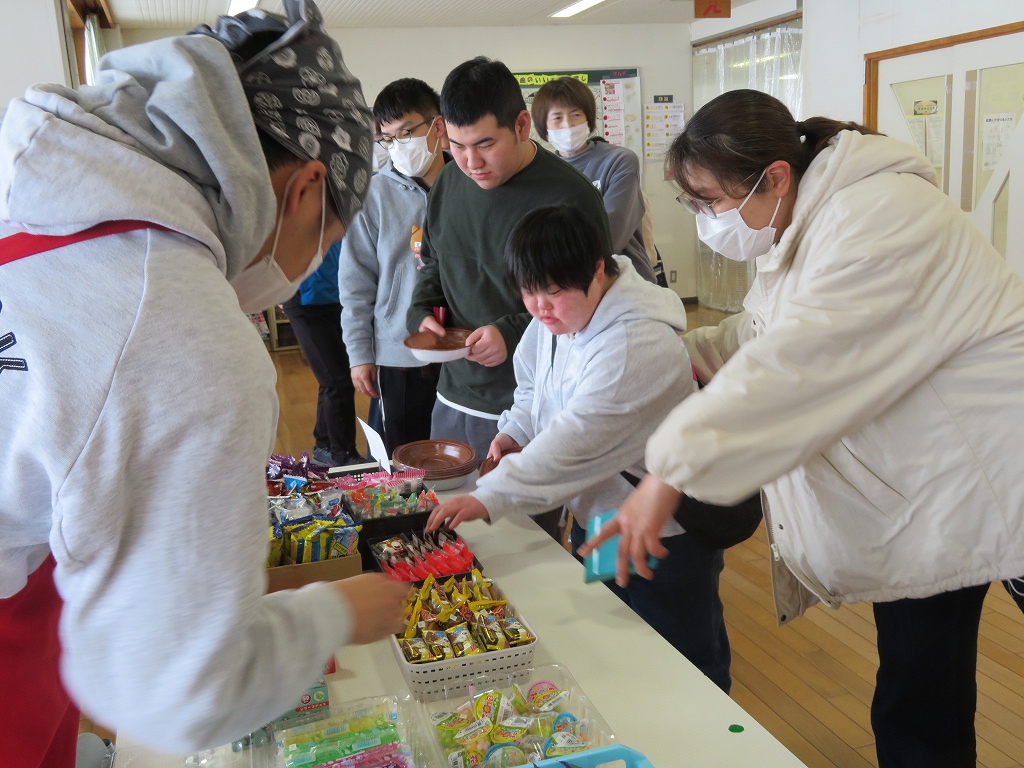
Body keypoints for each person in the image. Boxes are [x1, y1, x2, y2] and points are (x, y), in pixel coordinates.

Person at [0, 2, 408, 765]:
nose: (306, 269)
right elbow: (177, 693)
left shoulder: (34, 196)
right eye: (326, 240)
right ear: (305, 188)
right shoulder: (174, 324)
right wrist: (329, 613)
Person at [580, 89, 1024, 768]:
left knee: (918, 695)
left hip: (984, 469)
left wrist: (668, 471)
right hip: (936, 481)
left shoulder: (879, 217)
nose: (706, 221)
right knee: (917, 688)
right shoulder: (810, 222)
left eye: (710, 201)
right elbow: (765, 332)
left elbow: (795, 364)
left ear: (776, 177)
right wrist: (674, 354)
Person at [425, 206, 731, 692]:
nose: (540, 307)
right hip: (601, 518)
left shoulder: (634, 343)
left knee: (685, 662)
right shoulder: (558, 320)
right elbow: (533, 386)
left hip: (663, 532)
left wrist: (490, 496)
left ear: (597, 270)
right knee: (616, 643)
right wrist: (515, 431)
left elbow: (574, 440)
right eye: (528, 292)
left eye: (553, 291)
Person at [405, 57, 612, 463]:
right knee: (450, 503)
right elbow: (435, 264)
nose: (471, 162)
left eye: (485, 144)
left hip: (532, 406)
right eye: (457, 146)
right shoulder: (448, 182)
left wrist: (512, 333)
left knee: (523, 506)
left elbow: (595, 298)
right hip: (453, 396)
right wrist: (422, 313)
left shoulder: (569, 197)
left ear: (521, 126)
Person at [339, 78, 445, 457]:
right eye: (387, 138)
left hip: (465, 351)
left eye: (405, 132)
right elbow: (356, 282)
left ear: (437, 126)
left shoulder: (469, 183)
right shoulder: (373, 194)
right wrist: (360, 354)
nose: (397, 145)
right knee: (402, 467)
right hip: (398, 355)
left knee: (458, 462)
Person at [530, 76, 656, 283]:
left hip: (624, 280)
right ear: (543, 125)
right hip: (566, 283)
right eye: (557, 117)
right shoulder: (541, 171)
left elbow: (612, 235)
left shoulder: (618, 161)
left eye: (576, 114)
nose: (568, 124)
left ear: (588, 118)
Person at [282, 241, 361, 467]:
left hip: (335, 295)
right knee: (338, 381)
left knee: (331, 377)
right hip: (306, 299)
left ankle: (325, 445)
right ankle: (343, 454)